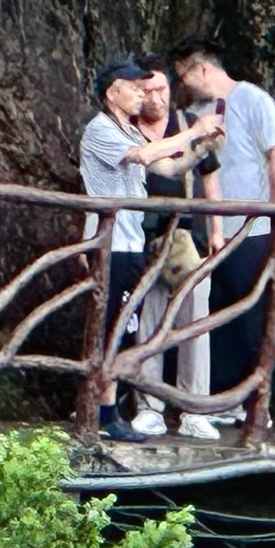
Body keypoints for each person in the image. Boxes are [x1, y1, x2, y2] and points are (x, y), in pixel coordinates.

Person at [170, 39, 275, 430]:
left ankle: (258, 402)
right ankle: (222, 397)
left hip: (251, 227)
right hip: (207, 231)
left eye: (183, 73)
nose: (181, 82)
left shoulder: (253, 99)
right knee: (215, 315)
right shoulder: (192, 115)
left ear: (202, 67)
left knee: (251, 313)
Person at [76, 58, 186, 440]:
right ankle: (102, 413)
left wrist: (203, 147)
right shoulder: (101, 129)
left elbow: (168, 168)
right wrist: (194, 132)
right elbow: (142, 157)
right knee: (108, 328)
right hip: (108, 245)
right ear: (112, 93)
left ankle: (110, 409)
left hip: (130, 242)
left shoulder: (130, 131)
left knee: (123, 329)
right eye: (136, 87)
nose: (144, 94)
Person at [128, 63, 215, 429]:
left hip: (187, 237)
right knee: (149, 319)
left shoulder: (187, 121)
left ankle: (193, 406)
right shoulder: (125, 130)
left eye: (162, 89)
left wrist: (217, 231)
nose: (156, 97)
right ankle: (150, 406)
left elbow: (210, 178)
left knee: (195, 319)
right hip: (143, 238)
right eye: (147, 90)